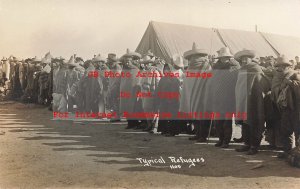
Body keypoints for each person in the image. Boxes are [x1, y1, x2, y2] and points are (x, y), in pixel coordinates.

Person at [235, 49, 270, 155]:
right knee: (245, 123)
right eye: (242, 59)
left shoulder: (256, 69)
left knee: (254, 122)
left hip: (254, 100)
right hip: (242, 100)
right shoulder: (241, 70)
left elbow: (264, 84)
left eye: (246, 58)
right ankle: (246, 144)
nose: (244, 61)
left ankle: (254, 146)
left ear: (251, 58)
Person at [181, 42, 212, 142]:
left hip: (203, 96)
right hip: (191, 96)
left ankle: (203, 135)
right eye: (193, 56)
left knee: (203, 116)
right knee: (195, 116)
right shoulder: (190, 67)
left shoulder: (206, 67)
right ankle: (197, 133)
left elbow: (209, 81)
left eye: (197, 55)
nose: (195, 58)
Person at [209, 47, 240, 148]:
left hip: (229, 98)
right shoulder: (216, 67)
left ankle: (226, 141)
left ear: (229, 57)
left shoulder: (235, 67)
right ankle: (220, 139)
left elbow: (237, 83)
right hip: (217, 97)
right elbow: (212, 81)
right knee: (218, 122)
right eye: (222, 57)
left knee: (227, 121)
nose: (224, 59)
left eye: (226, 57)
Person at [271, 55, 300, 158]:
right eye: (279, 66)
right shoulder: (276, 77)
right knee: (285, 130)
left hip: (296, 108)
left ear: (288, 66)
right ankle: (287, 151)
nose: (281, 68)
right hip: (284, 108)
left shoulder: (294, 75)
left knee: (298, 130)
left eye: (283, 66)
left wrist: (291, 83)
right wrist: (280, 88)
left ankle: (297, 153)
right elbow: (274, 91)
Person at [156, 57, 181, 136]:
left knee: (172, 116)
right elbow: (159, 89)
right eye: (165, 69)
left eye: (168, 69)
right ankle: (164, 130)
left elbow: (176, 90)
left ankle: (172, 131)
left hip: (172, 101)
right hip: (163, 100)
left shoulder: (175, 79)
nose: (166, 70)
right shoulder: (162, 79)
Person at [119, 49, 141, 129]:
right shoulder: (124, 70)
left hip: (133, 92)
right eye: (126, 61)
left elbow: (138, 82)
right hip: (125, 92)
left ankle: (134, 123)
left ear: (132, 61)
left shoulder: (136, 70)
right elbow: (121, 81)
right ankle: (129, 123)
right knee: (126, 107)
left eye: (129, 61)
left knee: (133, 107)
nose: (127, 63)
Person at [106, 53, 122, 118]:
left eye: (110, 61)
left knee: (116, 101)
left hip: (116, 87)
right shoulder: (112, 67)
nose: (108, 62)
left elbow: (117, 80)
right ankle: (115, 114)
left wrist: (112, 88)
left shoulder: (117, 67)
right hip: (112, 86)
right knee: (113, 101)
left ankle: (117, 115)